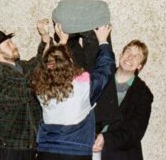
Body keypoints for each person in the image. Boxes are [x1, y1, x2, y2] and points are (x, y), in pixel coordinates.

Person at [31, 25, 115, 160]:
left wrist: (62, 42)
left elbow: (52, 64)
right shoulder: (83, 86)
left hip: (46, 152)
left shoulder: (41, 89)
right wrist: (103, 41)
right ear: (70, 61)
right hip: (75, 152)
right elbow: (105, 70)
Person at [0, 20, 49, 160]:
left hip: (28, 145)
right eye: (7, 44)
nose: (13, 45)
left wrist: (44, 36)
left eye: (11, 42)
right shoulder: (0, 75)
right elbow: (29, 88)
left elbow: (38, 62)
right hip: (12, 148)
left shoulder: (20, 67)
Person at [93, 40, 154, 160]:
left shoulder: (143, 94)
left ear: (139, 66)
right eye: (128, 52)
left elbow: (135, 131)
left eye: (137, 56)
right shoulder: (101, 77)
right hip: (89, 148)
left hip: (121, 153)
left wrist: (106, 138)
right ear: (121, 55)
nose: (130, 58)